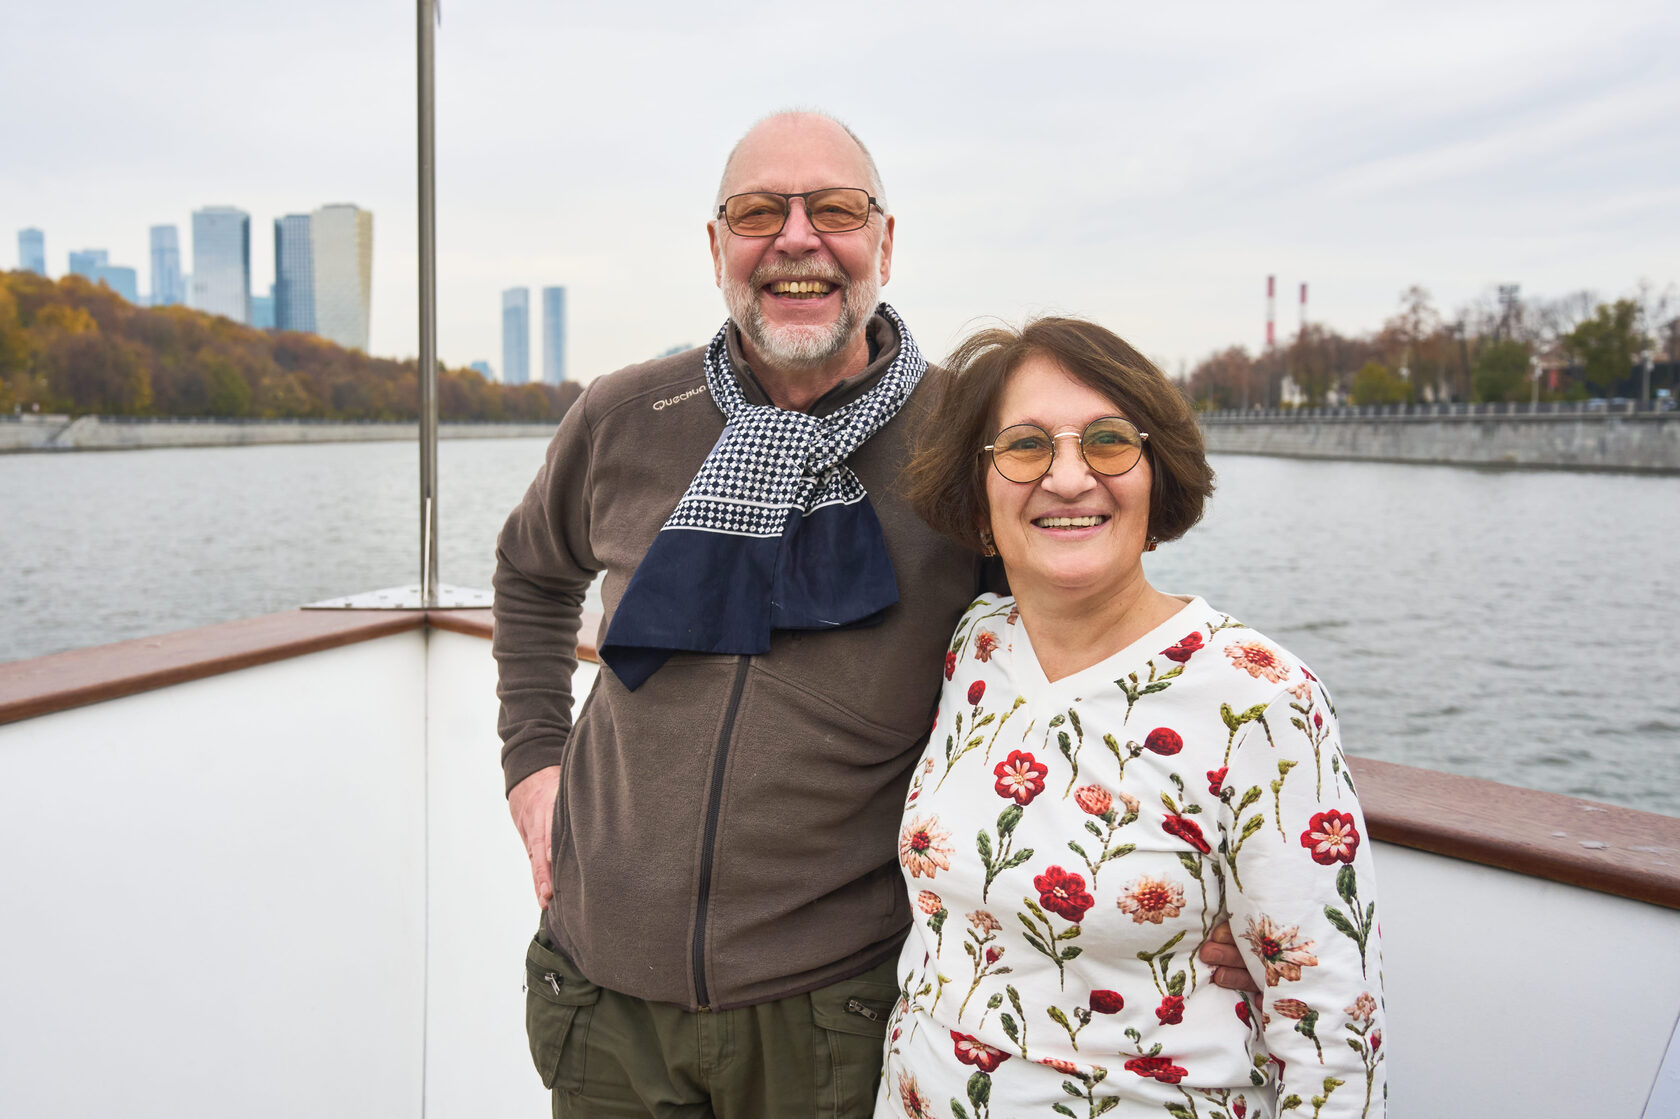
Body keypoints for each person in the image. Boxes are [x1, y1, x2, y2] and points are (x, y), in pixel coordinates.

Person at [494, 111, 1254, 1119]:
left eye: (835, 209)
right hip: (601, 994)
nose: (797, 239)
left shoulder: (970, 440)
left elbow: (1080, 654)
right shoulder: (624, 416)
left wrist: (1202, 878)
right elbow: (530, 573)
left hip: (834, 1012)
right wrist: (533, 760)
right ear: (716, 248)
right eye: (758, 213)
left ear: (885, 243)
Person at [882, 318, 1386, 1118]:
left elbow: (1333, 1040)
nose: (1069, 477)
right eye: (1025, 446)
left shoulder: (1261, 699)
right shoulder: (975, 645)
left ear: (1158, 480)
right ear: (978, 497)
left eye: (1109, 441)